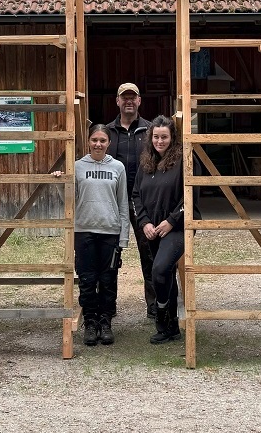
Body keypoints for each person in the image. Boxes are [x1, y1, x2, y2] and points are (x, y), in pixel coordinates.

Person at [54, 125, 130, 346]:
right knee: (87, 279)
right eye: (94, 139)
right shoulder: (77, 166)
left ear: (109, 143)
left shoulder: (118, 167)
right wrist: (61, 183)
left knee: (108, 279)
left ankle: (105, 322)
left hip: (110, 231)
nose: (98, 144)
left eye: (103, 140)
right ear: (88, 141)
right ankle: (90, 322)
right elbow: (70, 200)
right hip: (84, 230)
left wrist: (123, 237)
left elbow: (123, 204)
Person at [132, 115, 193, 344]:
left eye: (164, 137)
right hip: (153, 228)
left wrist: (172, 221)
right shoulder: (146, 162)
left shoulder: (183, 160)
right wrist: (144, 222)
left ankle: (161, 317)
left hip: (177, 227)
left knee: (159, 270)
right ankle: (171, 328)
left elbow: (190, 196)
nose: (160, 141)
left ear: (172, 137)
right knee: (164, 273)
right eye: (156, 137)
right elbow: (136, 195)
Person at [106, 82, 154, 319]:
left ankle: (155, 307)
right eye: (124, 97)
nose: (128, 101)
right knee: (110, 254)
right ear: (117, 101)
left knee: (150, 253)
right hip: (112, 203)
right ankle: (108, 305)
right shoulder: (106, 132)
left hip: (143, 203)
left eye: (132, 98)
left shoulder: (150, 130)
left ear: (139, 101)